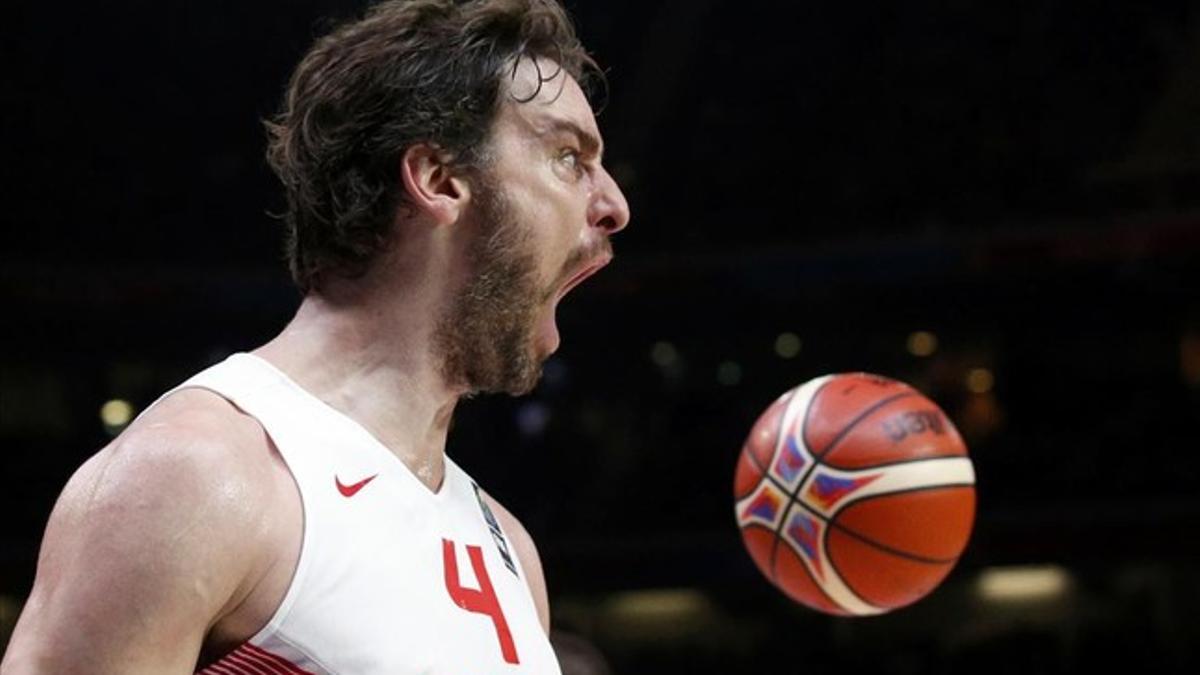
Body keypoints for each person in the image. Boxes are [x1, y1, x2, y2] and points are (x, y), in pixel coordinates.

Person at [1, 0, 629, 672]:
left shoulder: (510, 551)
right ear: (439, 179)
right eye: (568, 156)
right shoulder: (198, 475)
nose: (614, 204)